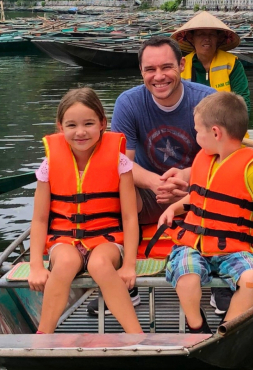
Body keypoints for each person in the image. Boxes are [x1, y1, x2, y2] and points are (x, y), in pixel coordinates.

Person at [157, 91, 253, 333]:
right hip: (194, 244)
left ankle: (227, 329)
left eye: (198, 131)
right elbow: (197, 198)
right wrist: (173, 208)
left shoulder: (250, 173)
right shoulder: (206, 159)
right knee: (187, 273)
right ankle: (196, 326)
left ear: (215, 132)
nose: (196, 136)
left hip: (235, 248)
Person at [100, 36, 217, 316]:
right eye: (150, 69)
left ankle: (223, 284)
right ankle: (124, 284)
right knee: (111, 194)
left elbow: (223, 157)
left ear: (182, 65)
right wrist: (155, 182)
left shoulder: (208, 100)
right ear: (141, 72)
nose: (159, 76)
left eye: (167, 67)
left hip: (198, 191)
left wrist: (187, 179)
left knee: (231, 192)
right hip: (150, 193)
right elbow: (122, 162)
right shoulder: (129, 102)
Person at [27, 88, 142, 334]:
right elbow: (39, 219)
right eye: (72, 125)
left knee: (100, 264)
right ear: (60, 127)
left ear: (103, 123)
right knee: (65, 262)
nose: (80, 132)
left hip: (107, 240)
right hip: (64, 241)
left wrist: (129, 264)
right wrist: (36, 265)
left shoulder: (120, 162)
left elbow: (130, 217)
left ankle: (136, 336)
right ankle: (43, 335)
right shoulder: (49, 165)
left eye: (89, 123)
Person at [171, 11, 251, 112]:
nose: (207, 39)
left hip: (224, 122)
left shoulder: (232, 64)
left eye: (212, 35)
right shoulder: (182, 65)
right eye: (201, 34)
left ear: (218, 38)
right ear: (191, 38)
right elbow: (174, 101)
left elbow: (243, 103)